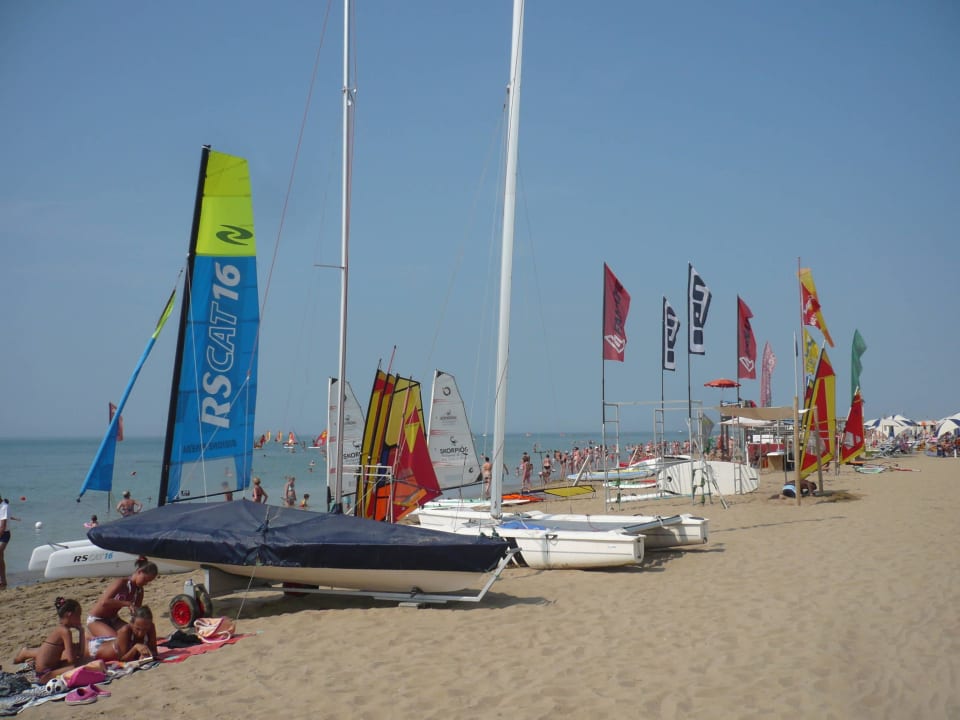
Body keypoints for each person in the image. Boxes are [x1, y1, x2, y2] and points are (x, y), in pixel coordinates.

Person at [14, 597, 86, 682]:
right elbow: (71, 660)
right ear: (70, 615)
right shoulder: (65, 632)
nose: (80, 619)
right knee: (78, 667)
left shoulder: (61, 629)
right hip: (45, 675)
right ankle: (26, 652)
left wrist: (81, 632)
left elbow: (80, 653)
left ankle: (27, 652)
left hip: (49, 669)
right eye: (79, 615)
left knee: (79, 660)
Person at [87, 560, 158, 639]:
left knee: (134, 637)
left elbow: (137, 612)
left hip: (114, 619)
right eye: (145, 579)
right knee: (118, 641)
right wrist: (127, 603)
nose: (145, 583)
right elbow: (104, 602)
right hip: (98, 619)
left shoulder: (139, 590)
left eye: (148, 582)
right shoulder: (121, 583)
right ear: (139, 572)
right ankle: (90, 635)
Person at [92, 606, 158, 662]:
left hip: (111, 641)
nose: (140, 633)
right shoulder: (125, 631)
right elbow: (122, 660)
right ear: (131, 624)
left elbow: (154, 652)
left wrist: (146, 655)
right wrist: (135, 648)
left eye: (145, 630)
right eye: (137, 629)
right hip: (96, 650)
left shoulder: (150, 627)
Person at [0, 495, 20, 589]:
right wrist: (14, 518)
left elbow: (3, 526)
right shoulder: (3, 506)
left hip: (4, 534)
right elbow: (5, 517)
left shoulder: (4, 506)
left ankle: (3, 581)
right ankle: (3, 581)